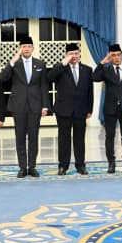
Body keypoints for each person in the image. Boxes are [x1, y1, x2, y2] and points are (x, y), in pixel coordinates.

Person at [0, 36, 50, 177]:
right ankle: (22, 167)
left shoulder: (40, 64)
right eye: (23, 47)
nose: (26, 49)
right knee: (20, 137)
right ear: (19, 49)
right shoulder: (15, 64)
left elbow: (44, 85)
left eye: (29, 46)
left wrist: (45, 106)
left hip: (35, 105)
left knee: (33, 137)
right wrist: (12, 61)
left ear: (33, 48)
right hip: (18, 106)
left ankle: (32, 166)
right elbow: (3, 78)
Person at [47, 43, 94, 175]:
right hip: (63, 110)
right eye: (70, 54)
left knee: (80, 138)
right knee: (64, 139)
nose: (74, 56)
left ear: (79, 54)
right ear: (65, 55)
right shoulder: (60, 68)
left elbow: (90, 91)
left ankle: (80, 165)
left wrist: (89, 109)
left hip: (81, 109)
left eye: (76, 53)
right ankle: (63, 166)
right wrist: (63, 64)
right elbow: (49, 78)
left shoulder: (87, 69)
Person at [93, 43, 122, 173]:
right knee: (110, 136)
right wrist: (103, 62)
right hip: (110, 109)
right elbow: (94, 77)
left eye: (119, 55)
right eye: (113, 55)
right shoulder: (106, 70)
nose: (117, 58)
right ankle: (111, 163)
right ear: (110, 57)